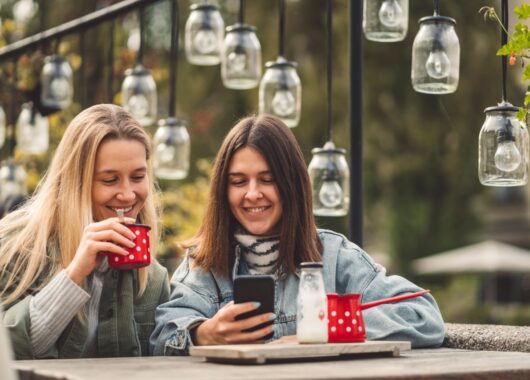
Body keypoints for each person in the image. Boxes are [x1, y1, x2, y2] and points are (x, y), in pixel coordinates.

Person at [150, 114, 445, 356]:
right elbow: (163, 334)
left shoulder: (333, 255)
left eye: (268, 180)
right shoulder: (204, 263)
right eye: (239, 181)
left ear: (292, 184)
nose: (253, 194)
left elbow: (423, 316)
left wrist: (327, 329)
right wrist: (204, 334)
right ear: (223, 191)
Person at [0, 104, 170, 359]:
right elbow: (8, 354)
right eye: (109, 180)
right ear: (74, 182)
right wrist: (74, 274)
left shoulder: (153, 279)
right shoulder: (17, 247)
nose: (127, 194)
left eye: (137, 177)